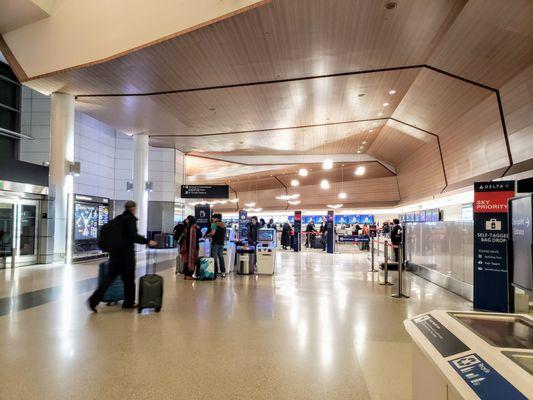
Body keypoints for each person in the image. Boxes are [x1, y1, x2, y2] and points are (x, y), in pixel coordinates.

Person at [88, 201, 156, 312]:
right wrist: (148, 241)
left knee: (108, 279)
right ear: (133, 208)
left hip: (115, 255)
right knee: (129, 279)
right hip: (126, 256)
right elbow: (133, 236)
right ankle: (129, 302)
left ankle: (93, 301)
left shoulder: (118, 219)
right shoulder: (130, 219)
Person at [207, 213, 227, 278]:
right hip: (221, 243)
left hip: (215, 243)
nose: (212, 219)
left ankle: (215, 272)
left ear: (216, 218)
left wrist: (207, 235)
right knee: (221, 257)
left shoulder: (214, 224)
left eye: (212, 218)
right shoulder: (224, 224)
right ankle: (223, 272)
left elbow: (213, 233)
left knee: (214, 258)